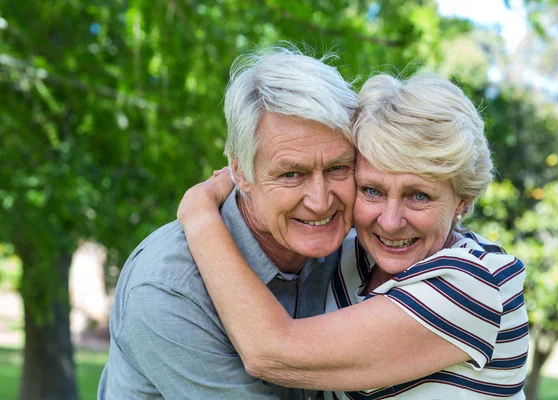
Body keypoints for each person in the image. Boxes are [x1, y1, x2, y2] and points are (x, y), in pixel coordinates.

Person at [177, 73, 529, 399]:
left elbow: (271, 351)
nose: (390, 223)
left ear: (462, 201)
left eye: (418, 196)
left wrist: (199, 212)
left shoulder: (473, 284)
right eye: (372, 190)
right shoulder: (348, 256)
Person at [98, 45, 358, 399]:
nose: (320, 199)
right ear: (240, 172)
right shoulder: (169, 288)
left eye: (338, 168)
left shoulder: (355, 249)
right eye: (291, 173)